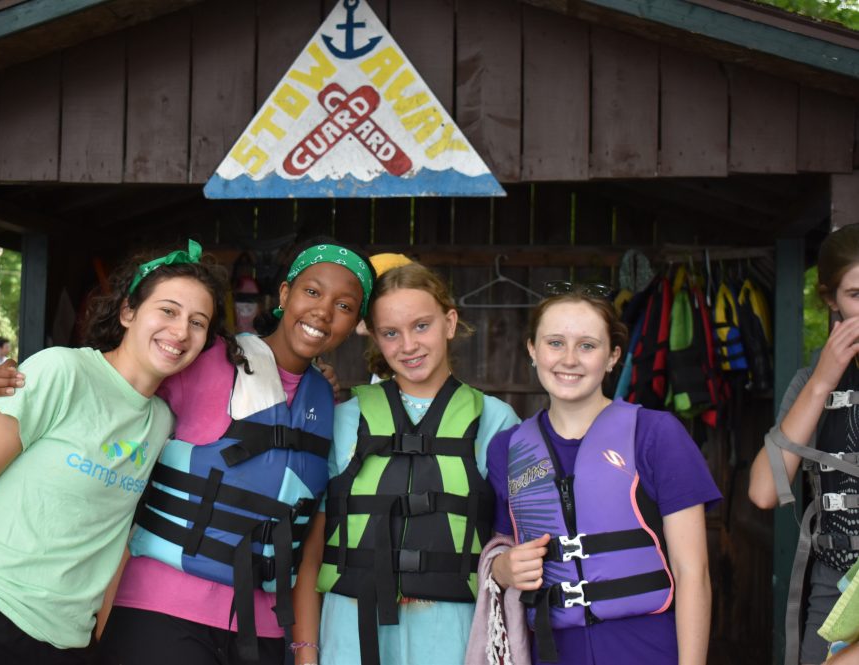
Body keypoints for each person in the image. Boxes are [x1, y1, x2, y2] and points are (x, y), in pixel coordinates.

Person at [0, 240, 231, 665]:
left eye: (198, 322)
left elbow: (117, 534)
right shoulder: (61, 372)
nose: (181, 331)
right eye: (168, 310)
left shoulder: (161, 422)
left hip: (67, 641)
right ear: (128, 312)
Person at [293, 262, 520, 665]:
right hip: (350, 633)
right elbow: (313, 549)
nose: (408, 345)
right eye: (391, 333)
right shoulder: (345, 419)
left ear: (449, 322)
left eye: (421, 326)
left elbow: (512, 542)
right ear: (375, 338)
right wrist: (306, 653)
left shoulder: (496, 421)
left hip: (452, 633)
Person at [486, 283, 719, 665]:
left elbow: (693, 571)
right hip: (554, 650)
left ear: (612, 357)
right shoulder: (505, 450)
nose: (570, 359)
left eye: (588, 345)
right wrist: (502, 568)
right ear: (532, 349)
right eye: (555, 343)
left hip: (646, 646)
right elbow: (498, 550)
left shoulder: (657, 435)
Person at [749, 223, 859, 665]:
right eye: (857, 294)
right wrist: (822, 383)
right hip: (834, 587)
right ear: (831, 300)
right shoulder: (809, 383)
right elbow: (761, 490)